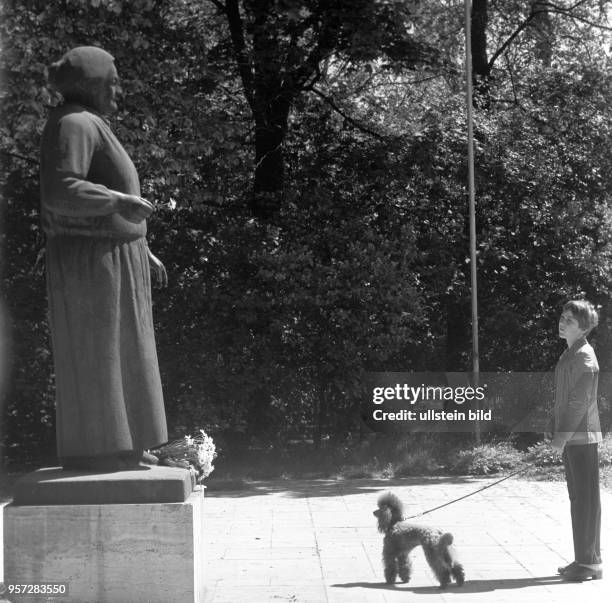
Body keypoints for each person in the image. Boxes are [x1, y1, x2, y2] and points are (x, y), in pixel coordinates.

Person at [40, 46, 168, 471]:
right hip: (93, 264)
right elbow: (63, 191)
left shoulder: (90, 122)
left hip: (116, 256)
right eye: (112, 82)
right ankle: (100, 448)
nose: (118, 88)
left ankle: (127, 445)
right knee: (103, 353)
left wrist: (139, 244)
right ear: (91, 85)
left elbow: (107, 206)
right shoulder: (74, 123)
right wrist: (118, 201)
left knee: (127, 353)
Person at [548, 300, 602, 581]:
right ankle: (585, 559)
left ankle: (590, 562)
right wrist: (554, 430)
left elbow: (578, 403)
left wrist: (561, 437)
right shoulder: (570, 354)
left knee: (585, 501)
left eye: (569, 319)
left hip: (582, 438)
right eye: (562, 316)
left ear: (583, 327)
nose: (562, 321)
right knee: (579, 499)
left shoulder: (583, 356)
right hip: (574, 438)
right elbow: (562, 401)